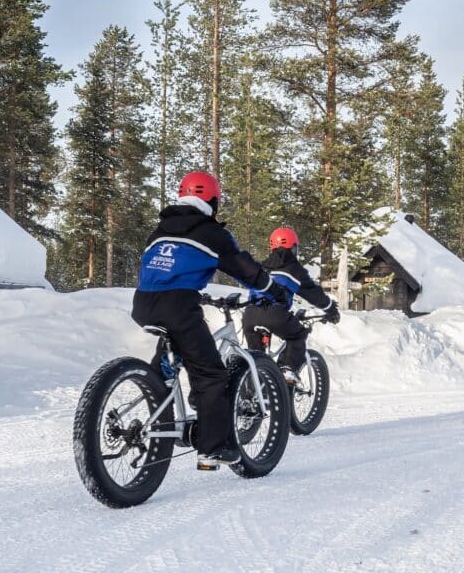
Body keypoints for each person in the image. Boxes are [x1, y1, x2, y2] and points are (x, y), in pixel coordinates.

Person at [131, 171, 289, 469]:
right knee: (211, 375)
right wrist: (273, 290)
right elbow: (245, 268)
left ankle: (160, 409)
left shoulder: (160, 229)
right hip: (178, 305)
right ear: (213, 201)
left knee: (173, 359)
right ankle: (211, 448)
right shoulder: (211, 232)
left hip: (143, 302)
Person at [242, 227, 340, 385]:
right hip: (275, 315)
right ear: (294, 248)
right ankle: (287, 369)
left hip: (250, 315)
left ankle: (251, 398)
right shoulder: (294, 269)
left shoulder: (262, 267)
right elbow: (313, 293)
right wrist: (331, 308)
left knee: (256, 362)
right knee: (298, 335)